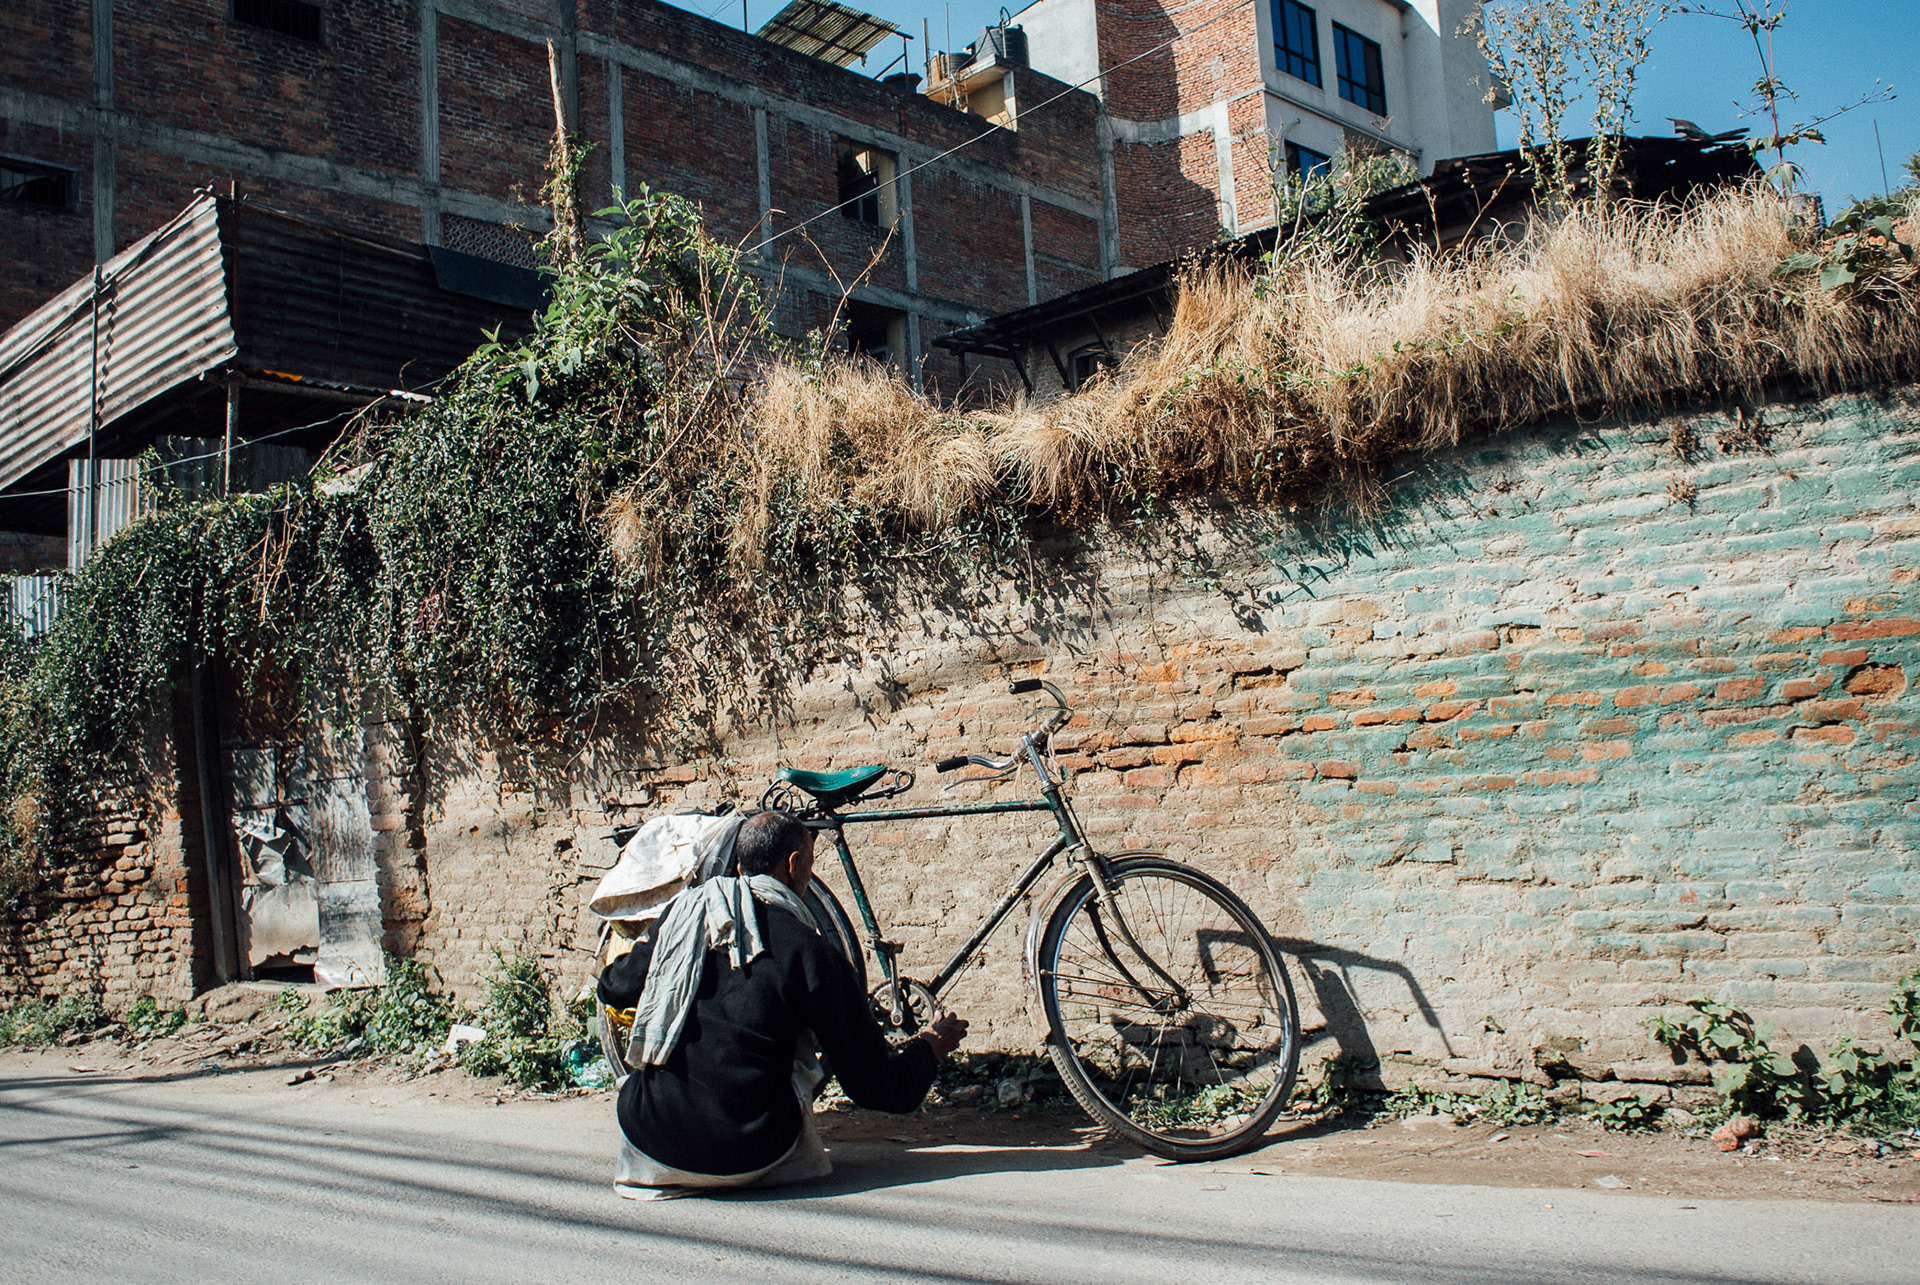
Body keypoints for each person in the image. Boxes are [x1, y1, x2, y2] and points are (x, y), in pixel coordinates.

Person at [598, 808, 967, 1198]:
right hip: (750, 1154)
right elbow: (875, 1087)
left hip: (649, 1143)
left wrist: (658, 952)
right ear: (793, 866)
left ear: (740, 867)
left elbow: (615, 987)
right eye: (809, 865)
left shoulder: (685, 917)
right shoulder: (811, 951)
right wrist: (929, 1047)